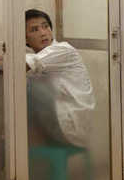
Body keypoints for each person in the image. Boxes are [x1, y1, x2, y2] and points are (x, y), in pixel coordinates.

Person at [23, 8, 97, 150]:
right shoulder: (40, 57)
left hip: (72, 126)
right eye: (34, 30)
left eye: (45, 26)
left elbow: (21, 64)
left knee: (31, 90)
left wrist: (6, 58)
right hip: (62, 122)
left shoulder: (63, 50)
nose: (43, 33)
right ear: (25, 39)